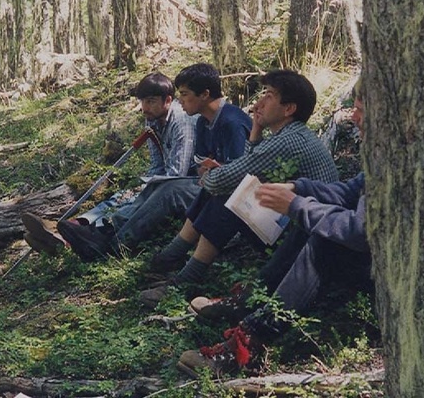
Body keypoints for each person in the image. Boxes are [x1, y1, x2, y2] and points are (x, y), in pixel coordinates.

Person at [177, 93, 370, 377]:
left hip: (396, 273)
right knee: (310, 222)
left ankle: (248, 343)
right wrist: (297, 188)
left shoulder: (291, 137)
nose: (353, 117)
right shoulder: (386, 154)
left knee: (324, 241)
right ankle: (250, 301)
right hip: (371, 255)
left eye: (361, 110)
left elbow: (360, 232)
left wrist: (296, 205)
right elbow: (348, 192)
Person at [141, 70, 339, 306]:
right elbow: (246, 167)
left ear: (289, 109)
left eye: (270, 96)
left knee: (229, 194)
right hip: (298, 225)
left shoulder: (287, 142)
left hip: (304, 240)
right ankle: (173, 256)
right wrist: (255, 132)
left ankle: (184, 278)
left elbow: (225, 178)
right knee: (232, 187)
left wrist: (212, 176)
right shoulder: (289, 135)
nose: (259, 103)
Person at [56, 63, 252, 261]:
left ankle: (114, 247)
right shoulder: (203, 121)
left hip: (233, 194)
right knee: (156, 185)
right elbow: (202, 164)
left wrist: (209, 175)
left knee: (170, 190)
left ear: (204, 94)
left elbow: (237, 176)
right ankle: (102, 233)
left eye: (184, 94)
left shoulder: (231, 122)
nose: (180, 101)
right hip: (208, 184)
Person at [23, 72, 198, 256]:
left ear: (168, 100)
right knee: (126, 194)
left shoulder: (181, 122)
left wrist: (148, 185)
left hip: (183, 184)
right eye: (142, 101)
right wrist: (141, 184)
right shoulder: (152, 119)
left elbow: (176, 173)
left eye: (151, 101)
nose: (145, 107)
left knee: (141, 196)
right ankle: (74, 227)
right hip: (166, 178)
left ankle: (81, 237)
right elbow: (156, 165)